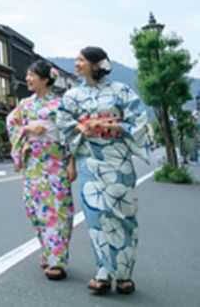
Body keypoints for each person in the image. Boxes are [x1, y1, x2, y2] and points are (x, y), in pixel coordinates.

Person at [57, 46, 150, 295]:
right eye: (76, 58)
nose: (76, 63)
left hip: (117, 158)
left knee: (122, 215)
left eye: (81, 60)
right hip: (89, 160)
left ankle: (124, 274)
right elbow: (63, 123)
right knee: (96, 217)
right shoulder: (72, 96)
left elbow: (139, 120)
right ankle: (103, 270)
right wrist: (80, 127)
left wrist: (113, 126)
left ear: (96, 64)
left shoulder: (121, 90)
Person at [6, 60, 75, 280]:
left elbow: (70, 134)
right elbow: (12, 122)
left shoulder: (60, 104)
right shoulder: (25, 105)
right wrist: (27, 128)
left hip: (56, 161)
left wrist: (72, 162)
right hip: (34, 163)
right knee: (34, 209)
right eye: (27, 74)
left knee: (58, 210)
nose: (27, 78)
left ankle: (57, 261)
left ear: (45, 79)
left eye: (31, 75)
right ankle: (47, 251)